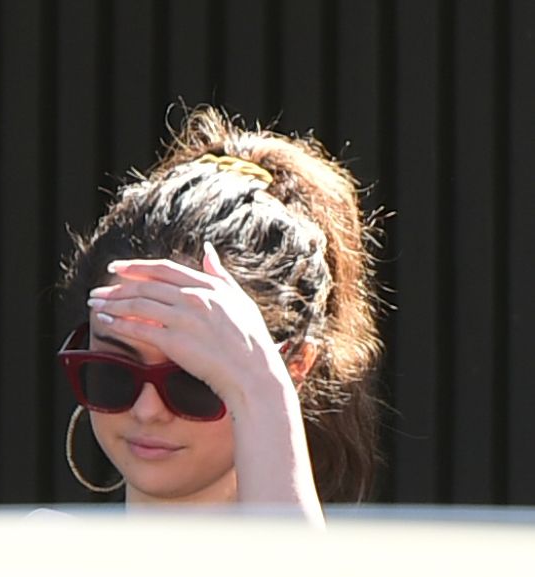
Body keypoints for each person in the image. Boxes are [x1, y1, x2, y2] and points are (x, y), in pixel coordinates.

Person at [57, 105, 382, 525]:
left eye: (195, 380)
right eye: (112, 373)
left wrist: (263, 391)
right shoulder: (39, 549)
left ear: (296, 368)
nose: (147, 410)